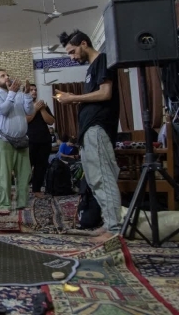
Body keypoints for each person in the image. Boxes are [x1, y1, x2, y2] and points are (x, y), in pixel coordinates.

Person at [56, 29, 121, 242]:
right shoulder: (92, 68)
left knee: (103, 177)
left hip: (98, 128)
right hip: (89, 130)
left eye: (73, 52)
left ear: (84, 44)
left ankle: (115, 228)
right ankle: (109, 223)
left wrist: (74, 98)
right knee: (94, 180)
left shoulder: (102, 59)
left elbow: (105, 93)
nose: (72, 57)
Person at [0, 70, 34, 214]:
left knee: (24, 174)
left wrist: (27, 95)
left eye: (7, 75)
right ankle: (3, 204)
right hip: (4, 140)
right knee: (4, 174)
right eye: (3, 76)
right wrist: (12, 93)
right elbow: (3, 110)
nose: (7, 77)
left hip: (22, 140)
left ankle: (22, 203)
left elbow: (29, 111)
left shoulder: (19, 94)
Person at [26, 84, 55, 198]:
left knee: (41, 166)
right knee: (26, 167)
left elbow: (51, 121)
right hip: (29, 141)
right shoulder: (23, 105)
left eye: (35, 90)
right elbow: (25, 120)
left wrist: (42, 109)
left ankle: (36, 189)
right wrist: (35, 109)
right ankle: (23, 190)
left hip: (44, 140)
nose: (34, 92)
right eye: (31, 90)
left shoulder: (43, 106)